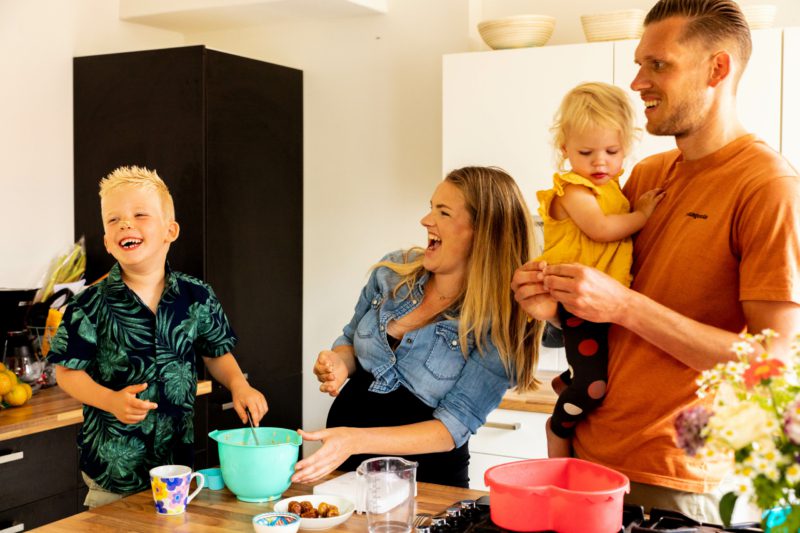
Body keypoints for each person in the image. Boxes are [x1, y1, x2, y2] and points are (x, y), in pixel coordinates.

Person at [513, 0, 800, 523]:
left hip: (677, 482)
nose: (637, 82)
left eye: (658, 65)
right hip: (590, 458)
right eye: (640, 64)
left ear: (717, 69)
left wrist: (625, 306)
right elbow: (610, 316)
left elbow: (772, 364)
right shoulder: (646, 175)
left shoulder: (767, 186)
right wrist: (551, 307)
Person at [291, 166, 543, 488]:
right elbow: (351, 338)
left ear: (483, 232)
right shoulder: (392, 273)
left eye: (443, 212)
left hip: (426, 488)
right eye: (431, 207)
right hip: (345, 473)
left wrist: (354, 440)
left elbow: (452, 428)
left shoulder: (501, 320)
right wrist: (340, 363)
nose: (426, 220)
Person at [47, 166, 268, 507]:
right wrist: (110, 401)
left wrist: (239, 385)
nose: (125, 224)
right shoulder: (88, 305)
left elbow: (216, 353)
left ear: (170, 230)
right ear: (107, 242)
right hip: (112, 472)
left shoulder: (197, 295)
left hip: (177, 465)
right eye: (114, 220)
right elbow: (66, 372)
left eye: (140, 215)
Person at [531, 82, 664, 458]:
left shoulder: (611, 191)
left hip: (601, 301)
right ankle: (558, 426)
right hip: (578, 300)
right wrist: (643, 214)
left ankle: (567, 381)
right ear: (565, 150)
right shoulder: (574, 190)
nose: (600, 162)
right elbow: (600, 229)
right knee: (595, 387)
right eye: (586, 153)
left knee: (607, 372)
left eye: (612, 151)